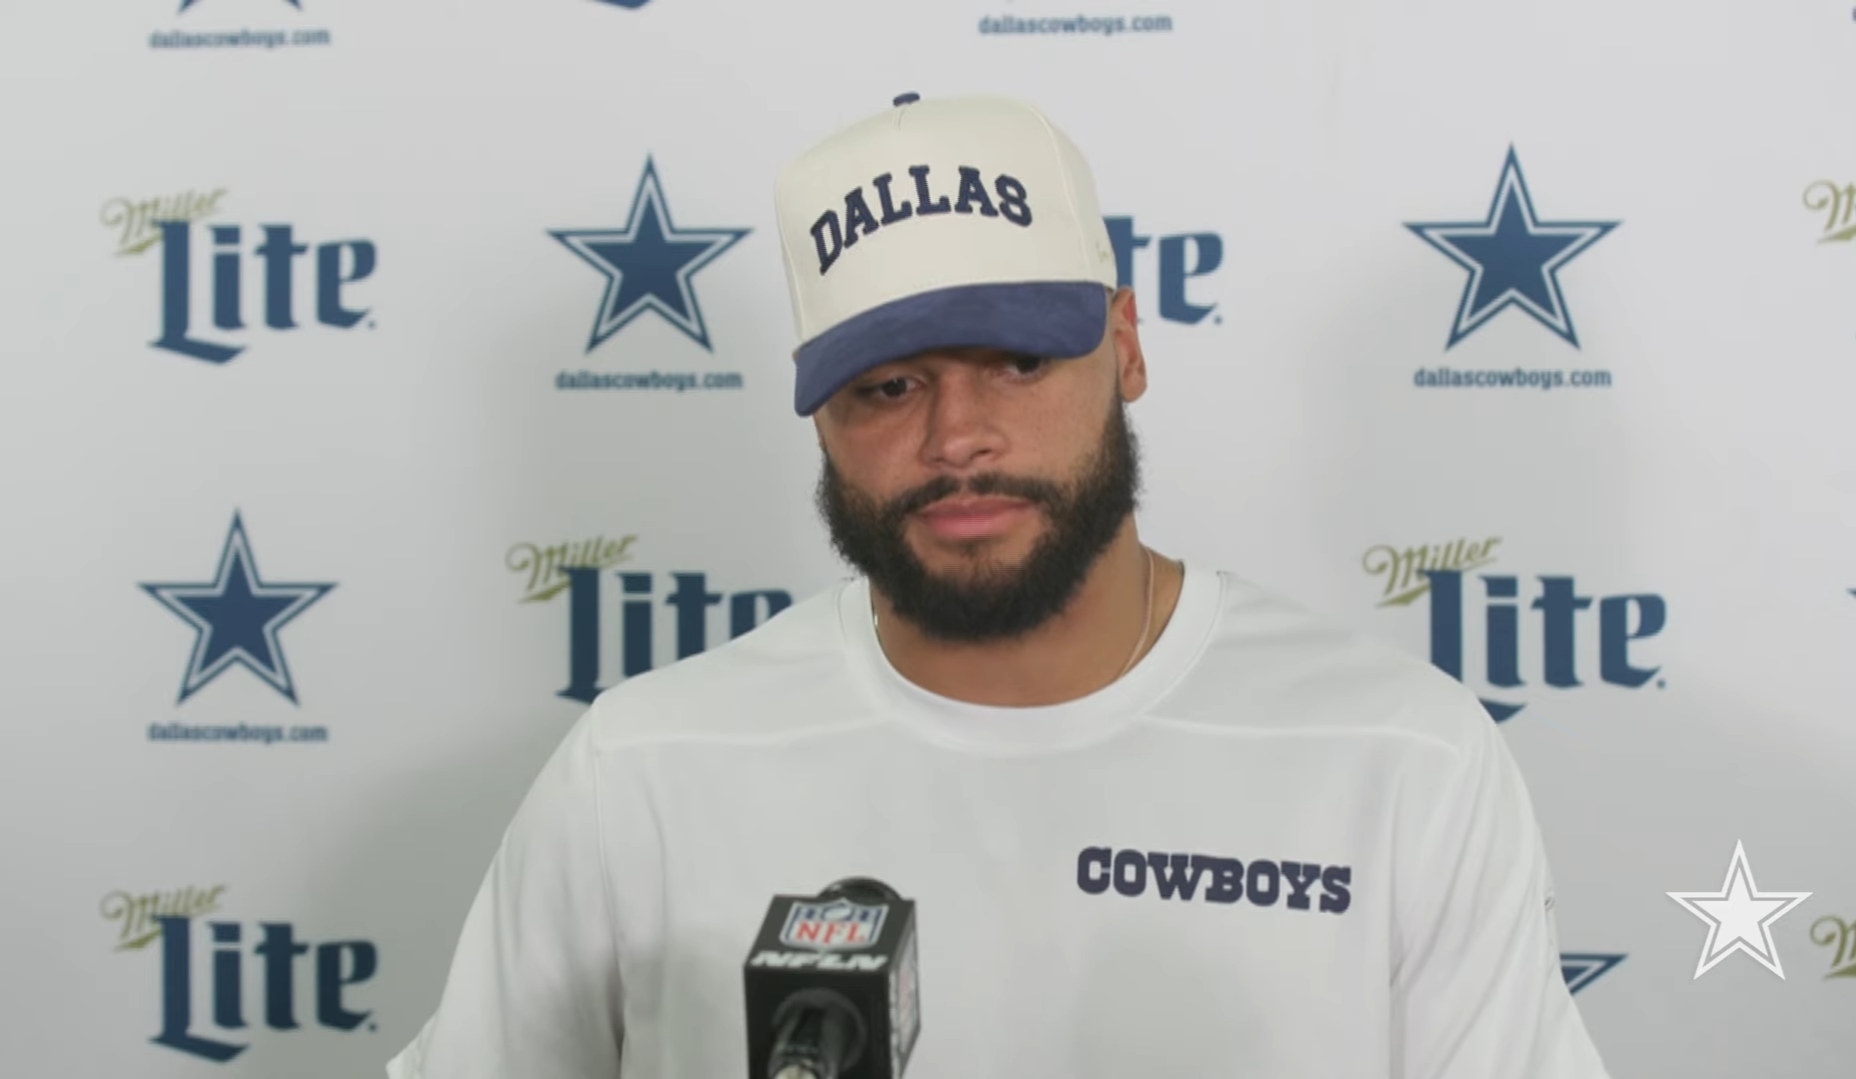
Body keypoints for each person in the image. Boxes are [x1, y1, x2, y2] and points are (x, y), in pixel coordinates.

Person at [386, 92, 1612, 1079]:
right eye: (888, 385)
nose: (956, 435)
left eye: (1016, 359)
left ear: (1123, 345)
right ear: (820, 413)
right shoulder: (644, 769)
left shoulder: (1397, 757)